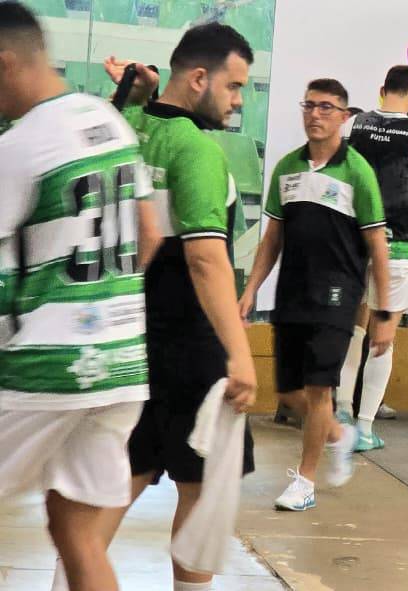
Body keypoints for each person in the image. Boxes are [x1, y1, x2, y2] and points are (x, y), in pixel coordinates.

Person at [91, 23, 258, 591]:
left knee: (115, 483)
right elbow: (206, 261)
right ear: (199, 78)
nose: (237, 102)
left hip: (126, 342)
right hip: (193, 349)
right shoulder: (198, 152)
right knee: (204, 488)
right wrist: (240, 353)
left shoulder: (121, 128)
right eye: (234, 87)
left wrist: (132, 94)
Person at [0, 4, 161, 590]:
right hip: (120, 366)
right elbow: (150, 234)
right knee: (76, 530)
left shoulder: (19, 147)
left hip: (48, 367)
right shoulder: (108, 120)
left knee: (74, 528)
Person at [239, 79, 393, 511]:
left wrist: (383, 311)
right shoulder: (287, 168)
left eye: (326, 108)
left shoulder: (357, 171)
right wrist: (250, 289)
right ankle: (340, 436)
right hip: (292, 294)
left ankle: (304, 482)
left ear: (344, 117)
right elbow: (272, 238)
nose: (315, 114)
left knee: (320, 388)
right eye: (309, 105)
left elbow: (378, 246)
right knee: (288, 394)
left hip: (338, 297)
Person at [336, 65, 408, 451]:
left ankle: (340, 413)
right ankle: (364, 427)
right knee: (385, 338)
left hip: (352, 245)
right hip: (397, 249)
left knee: (356, 330)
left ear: (383, 89)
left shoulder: (352, 127)